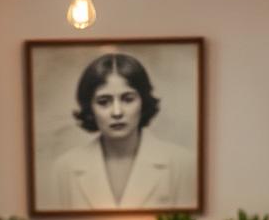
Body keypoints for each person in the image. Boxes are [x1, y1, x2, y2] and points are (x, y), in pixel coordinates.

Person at [52, 52, 197, 211]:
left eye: (128, 99)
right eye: (104, 102)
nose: (117, 112)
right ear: (90, 108)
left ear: (143, 101)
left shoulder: (182, 163)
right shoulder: (65, 167)